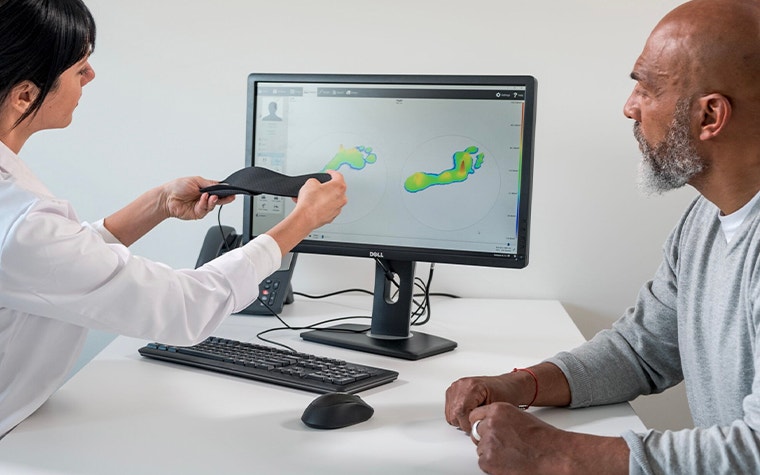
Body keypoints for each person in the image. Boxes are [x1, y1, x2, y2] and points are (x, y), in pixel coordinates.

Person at [0, 0, 347, 438]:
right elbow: (187, 308)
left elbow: (53, 261)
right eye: (79, 67)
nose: (90, 76)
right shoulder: (20, 221)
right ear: (25, 95)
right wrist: (303, 221)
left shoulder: (19, 218)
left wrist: (158, 203)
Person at [445, 0, 760, 473]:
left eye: (647, 89)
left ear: (710, 116)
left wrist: (558, 454)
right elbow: (640, 350)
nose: (629, 108)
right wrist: (519, 384)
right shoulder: (705, 221)